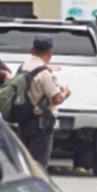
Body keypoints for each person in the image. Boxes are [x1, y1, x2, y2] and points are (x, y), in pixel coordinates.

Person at [17, 35, 71, 168]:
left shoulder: (22, 68)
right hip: (40, 122)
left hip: (23, 119)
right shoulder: (44, 73)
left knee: (25, 162)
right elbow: (55, 98)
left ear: (31, 50)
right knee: (39, 165)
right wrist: (65, 92)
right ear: (49, 53)